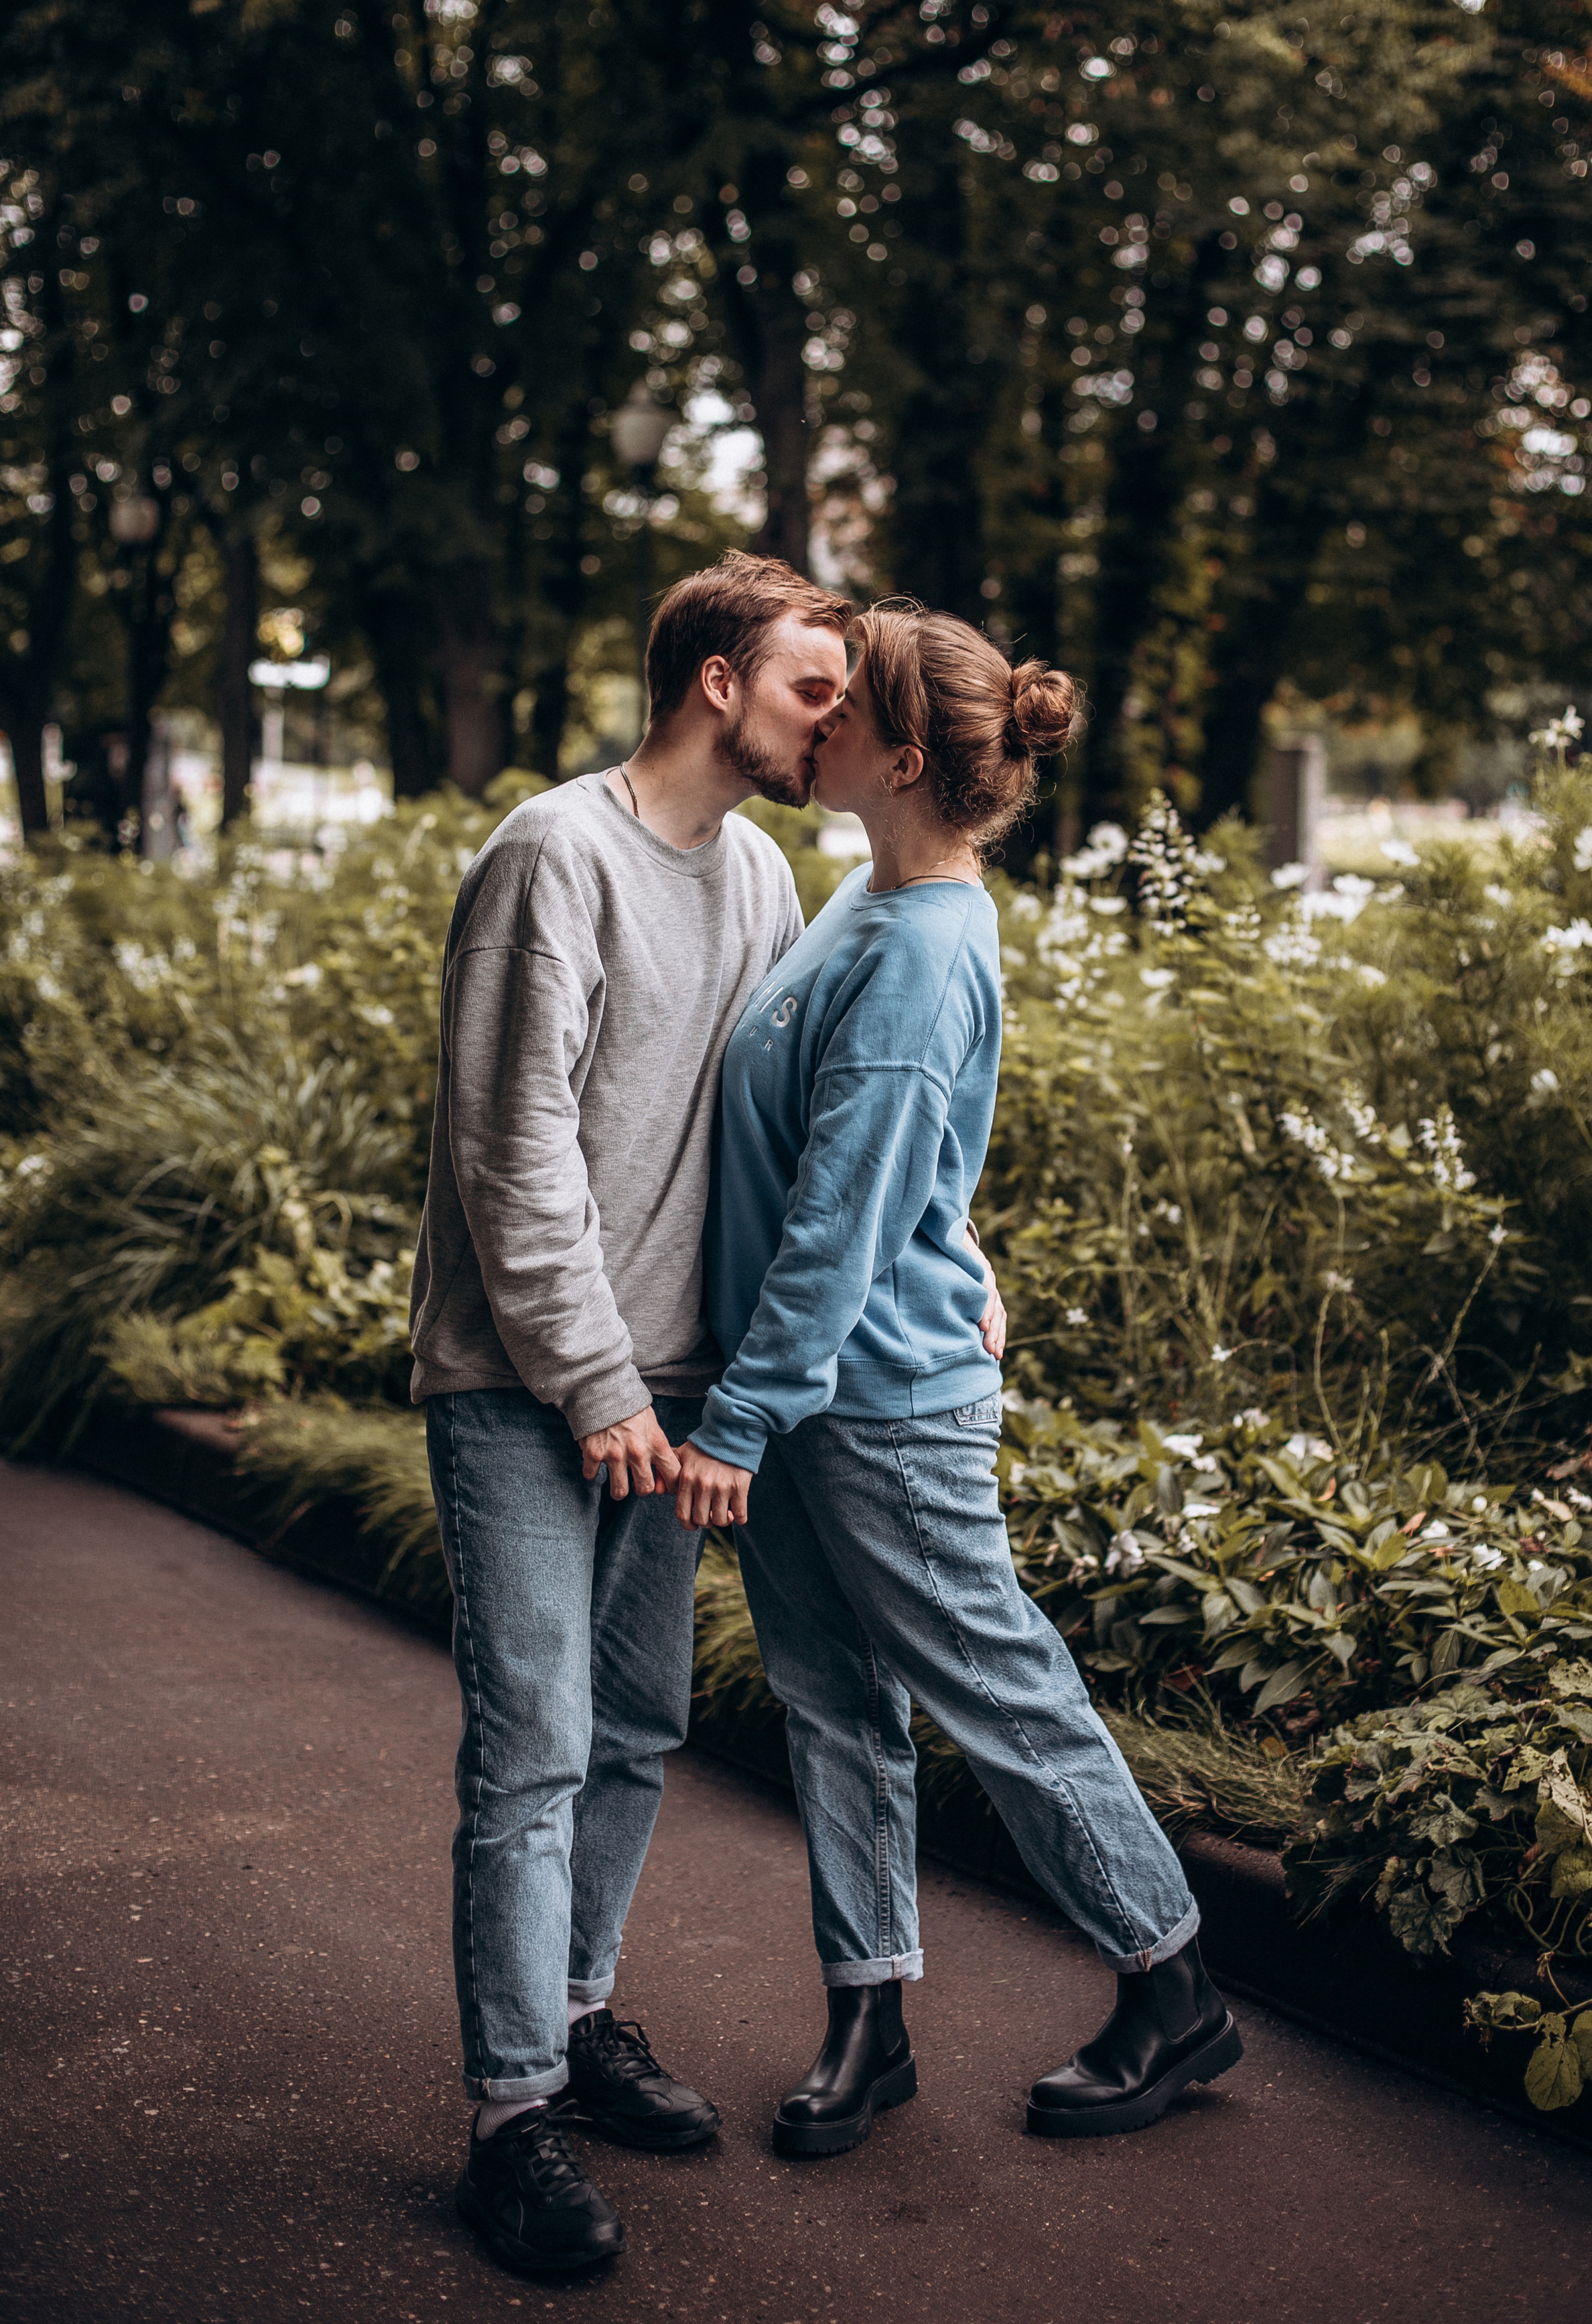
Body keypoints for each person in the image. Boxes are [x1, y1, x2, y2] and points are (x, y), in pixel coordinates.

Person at [671, 603, 1242, 2158]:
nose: (816, 720)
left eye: (843, 705)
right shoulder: (869, 894)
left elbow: (839, 1223)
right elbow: (873, 1168)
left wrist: (735, 1419)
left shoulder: (922, 947)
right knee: (832, 1709)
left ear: (905, 760)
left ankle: (1168, 1982)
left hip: (873, 1407)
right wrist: (957, 1236)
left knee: (994, 1687)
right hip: (808, 1396)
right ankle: (870, 2019)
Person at [407, 554, 855, 2280]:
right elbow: (509, 1151)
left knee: (635, 1725)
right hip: (532, 1387)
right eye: (815, 686)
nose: (839, 718)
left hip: (677, 1395)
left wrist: (936, 1250)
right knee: (529, 1746)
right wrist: (594, 1385)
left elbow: (815, 1108)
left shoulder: (756, 872)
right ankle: (511, 2118)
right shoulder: (555, 853)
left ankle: (581, 2016)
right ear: (717, 683)